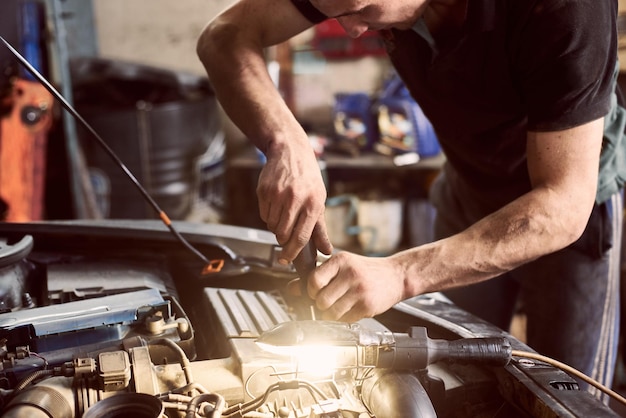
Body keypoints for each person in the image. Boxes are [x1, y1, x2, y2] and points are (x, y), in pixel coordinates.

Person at [197, 0, 626, 397]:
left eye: (361, 9)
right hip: (467, 187)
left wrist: (402, 275)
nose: (351, 29)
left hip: (572, 214)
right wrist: (286, 141)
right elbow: (224, 36)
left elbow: (564, 205)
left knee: (565, 394)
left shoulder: (565, 9)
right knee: (451, 380)